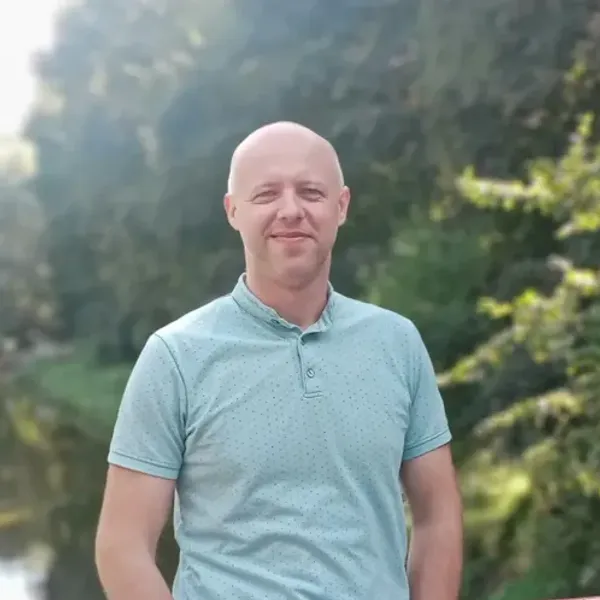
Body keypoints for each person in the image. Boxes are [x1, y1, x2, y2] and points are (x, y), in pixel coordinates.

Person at [95, 121, 463, 600]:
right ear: (233, 211)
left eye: (310, 192)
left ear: (341, 206)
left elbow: (437, 516)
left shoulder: (397, 343)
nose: (291, 210)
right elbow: (123, 545)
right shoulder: (175, 357)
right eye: (267, 194)